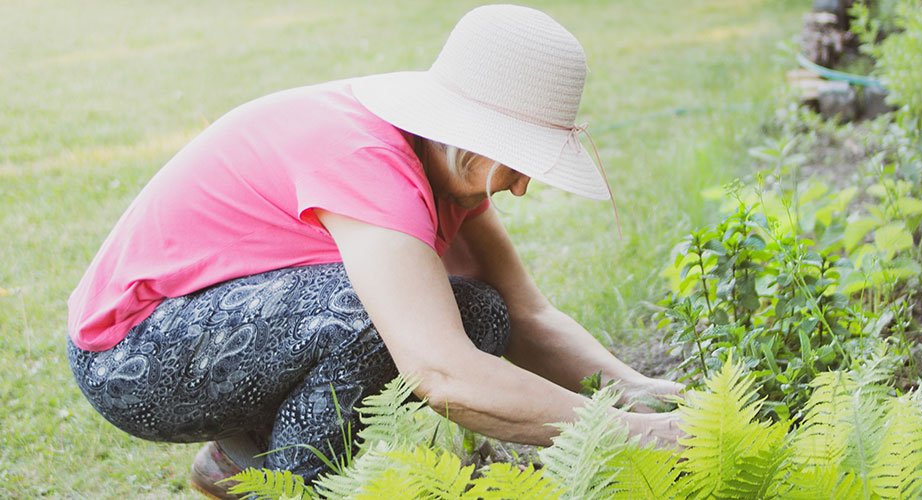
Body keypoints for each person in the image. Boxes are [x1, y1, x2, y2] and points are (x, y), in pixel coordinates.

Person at [66, 4, 685, 498]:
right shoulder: (366, 162)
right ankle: (283, 490)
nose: (523, 186)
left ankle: (241, 461)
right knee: (370, 320)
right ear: (469, 135)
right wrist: (636, 436)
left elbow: (530, 316)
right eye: (521, 160)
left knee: (481, 313)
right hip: (129, 355)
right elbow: (440, 372)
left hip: (213, 327)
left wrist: (648, 396)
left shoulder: (443, 165)